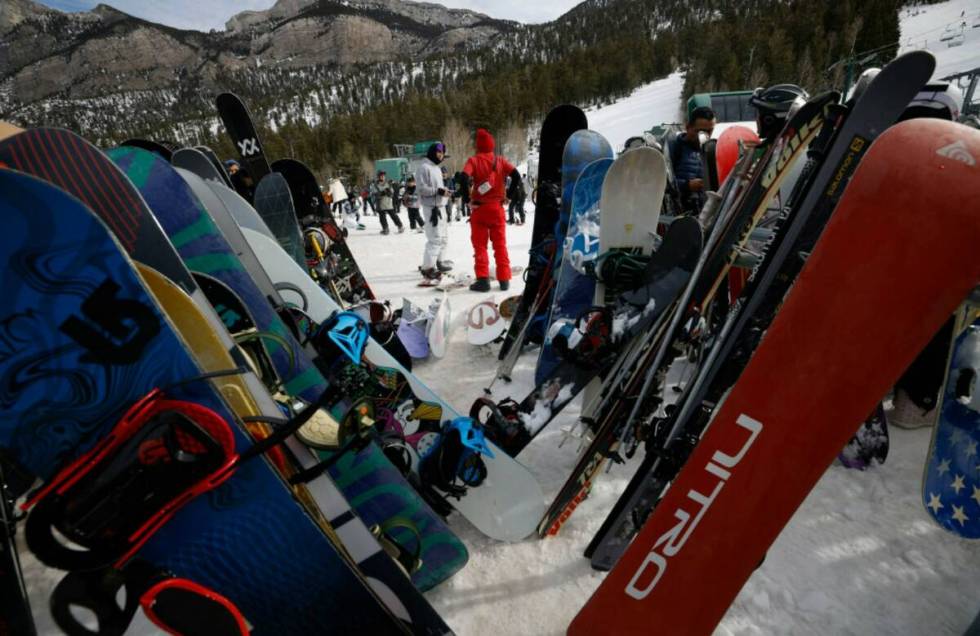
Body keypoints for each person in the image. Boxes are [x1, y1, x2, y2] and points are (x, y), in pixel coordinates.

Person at [463, 128, 519, 292]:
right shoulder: (500, 161)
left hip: (480, 210)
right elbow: (515, 175)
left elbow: (464, 177)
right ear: (492, 144)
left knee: (480, 246)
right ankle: (504, 279)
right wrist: (509, 194)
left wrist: (467, 200)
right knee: (500, 244)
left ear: (478, 146)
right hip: (497, 209)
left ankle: (483, 280)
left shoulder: (473, 161)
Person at [415, 142, 453, 279]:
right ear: (432, 152)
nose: (441, 155)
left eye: (442, 153)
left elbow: (439, 190)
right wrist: (438, 191)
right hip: (431, 209)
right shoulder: (423, 167)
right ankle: (428, 267)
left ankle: (439, 261)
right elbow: (421, 189)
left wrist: (445, 193)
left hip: (441, 207)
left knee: (444, 237)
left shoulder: (436, 168)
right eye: (438, 152)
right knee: (435, 238)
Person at [669, 105, 715, 215]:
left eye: (709, 131)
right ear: (688, 127)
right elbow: (663, 185)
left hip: (709, 214)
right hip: (682, 214)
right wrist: (687, 185)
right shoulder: (675, 147)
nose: (705, 135)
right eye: (700, 131)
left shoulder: (713, 148)